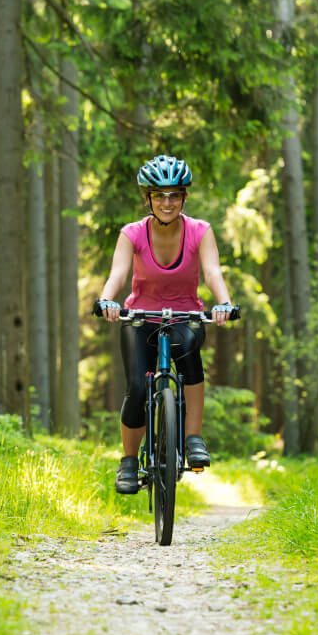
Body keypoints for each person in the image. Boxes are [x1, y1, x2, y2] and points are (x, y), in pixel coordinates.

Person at [97, 154, 234, 494]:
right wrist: (107, 300)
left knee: (188, 351)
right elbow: (118, 273)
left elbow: (213, 271)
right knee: (139, 388)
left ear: (184, 197)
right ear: (148, 199)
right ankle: (129, 461)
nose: (168, 202)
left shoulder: (200, 232)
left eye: (174, 194)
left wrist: (225, 303)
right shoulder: (132, 234)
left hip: (185, 315)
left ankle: (193, 438)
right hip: (140, 317)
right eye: (160, 195)